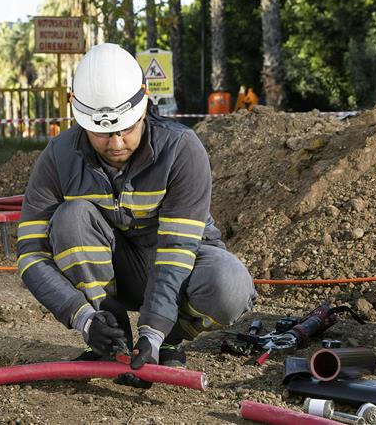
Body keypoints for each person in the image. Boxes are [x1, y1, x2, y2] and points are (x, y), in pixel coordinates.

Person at [16, 43, 256, 370]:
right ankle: (111, 336)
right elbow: (30, 254)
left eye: (126, 128)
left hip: (180, 265)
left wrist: (155, 333)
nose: (116, 144)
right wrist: (84, 318)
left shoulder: (181, 149)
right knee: (70, 219)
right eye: (102, 133)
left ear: (144, 107)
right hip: (116, 269)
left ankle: (170, 337)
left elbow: (176, 249)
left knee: (230, 286)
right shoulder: (58, 157)